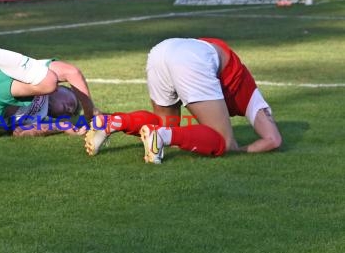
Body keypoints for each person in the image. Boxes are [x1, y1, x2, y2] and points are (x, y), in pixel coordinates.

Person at [85, 37, 282, 164]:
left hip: (162, 50)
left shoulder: (240, 80)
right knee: (224, 142)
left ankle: (112, 122)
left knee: (166, 124)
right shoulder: (250, 93)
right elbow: (273, 140)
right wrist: (238, 150)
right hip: (191, 58)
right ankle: (160, 136)